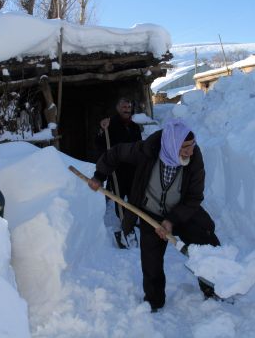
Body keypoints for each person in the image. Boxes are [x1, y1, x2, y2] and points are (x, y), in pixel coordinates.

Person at [88, 118, 220, 311]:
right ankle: (154, 302)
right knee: (151, 262)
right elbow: (116, 153)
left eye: (192, 146)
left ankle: (213, 289)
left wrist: (172, 220)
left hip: (182, 212)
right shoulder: (147, 150)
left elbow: (194, 196)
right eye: (185, 148)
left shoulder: (194, 158)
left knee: (206, 246)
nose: (190, 152)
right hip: (151, 212)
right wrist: (100, 175)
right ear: (171, 144)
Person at [95, 97, 142, 248]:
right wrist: (102, 130)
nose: (127, 109)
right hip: (117, 169)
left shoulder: (134, 127)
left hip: (133, 168)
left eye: (129, 106)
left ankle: (133, 222)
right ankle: (125, 228)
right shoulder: (110, 124)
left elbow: (139, 147)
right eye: (124, 107)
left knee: (135, 197)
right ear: (118, 108)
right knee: (119, 199)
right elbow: (100, 143)